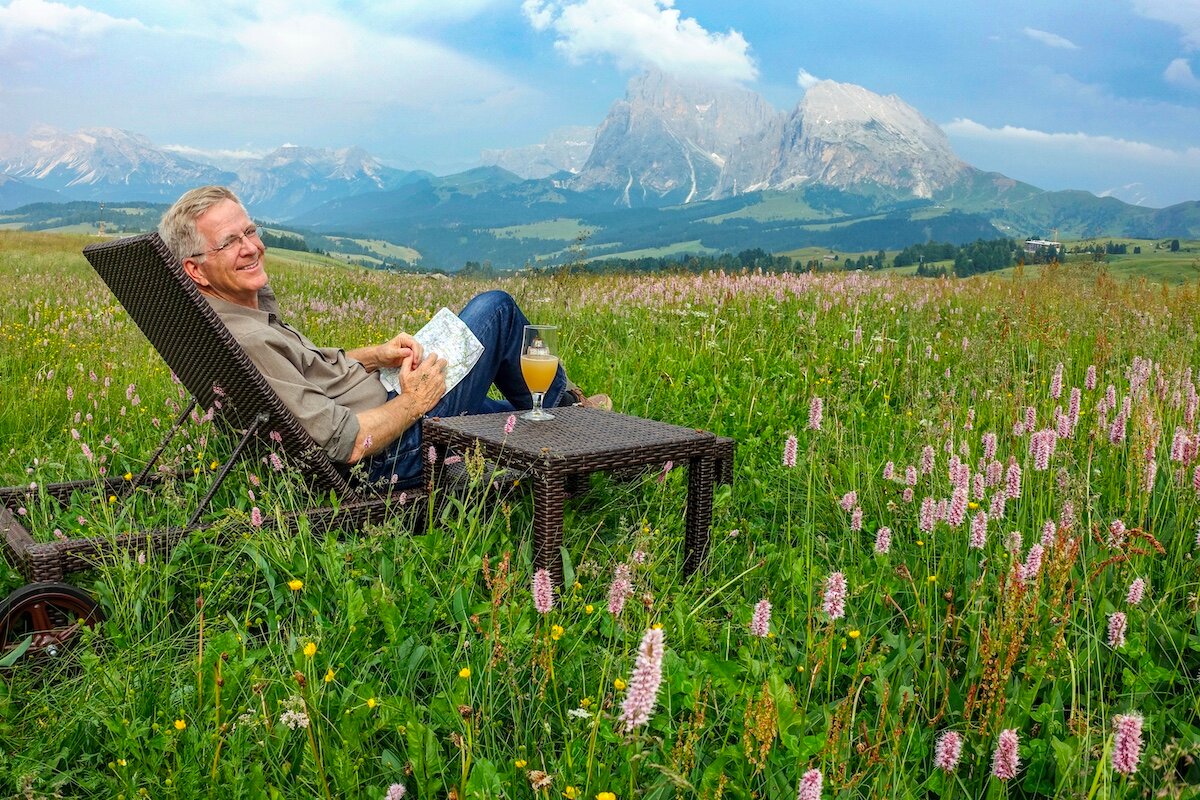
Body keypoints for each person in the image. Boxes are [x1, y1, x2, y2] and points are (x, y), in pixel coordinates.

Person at [158, 186, 608, 487]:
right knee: (496, 309)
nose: (252, 247)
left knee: (502, 418)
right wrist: (414, 402)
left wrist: (376, 356)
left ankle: (574, 428)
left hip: (388, 401)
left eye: (250, 231)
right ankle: (571, 417)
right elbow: (346, 442)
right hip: (394, 453)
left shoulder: (233, 310)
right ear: (195, 269)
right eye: (229, 242)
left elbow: (306, 374)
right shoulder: (248, 340)